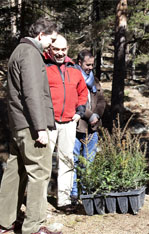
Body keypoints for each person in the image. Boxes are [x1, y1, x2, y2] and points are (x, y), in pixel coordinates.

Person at [0, 18, 61, 234]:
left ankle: (3, 224)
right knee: (39, 173)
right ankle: (34, 227)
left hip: (18, 124)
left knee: (15, 172)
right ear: (41, 35)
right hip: (31, 126)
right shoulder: (31, 53)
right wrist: (40, 127)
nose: (52, 44)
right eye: (51, 39)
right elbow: (31, 92)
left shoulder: (18, 51)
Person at [44, 35, 88, 210]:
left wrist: (80, 112)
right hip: (48, 122)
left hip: (69, 122)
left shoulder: (74, 69)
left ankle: (64, 201)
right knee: (44, 163)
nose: (60, 53)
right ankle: (39, 202)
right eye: (56, 49)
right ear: (50, 49)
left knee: (67, 161)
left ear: (68, 49)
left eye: (63, 49)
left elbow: (82, 92)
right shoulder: (43, 66)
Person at [70, 49, 106, 200]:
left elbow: (102, 100)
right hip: (77, 127)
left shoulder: (95, 80)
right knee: (73, 161)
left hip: (93, 128)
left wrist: (96, 114)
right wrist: (89, 115)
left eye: (92, 65)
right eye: (87, 64)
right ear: (79, 62)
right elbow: (75, 103)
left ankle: (86, 192)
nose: (90, 68)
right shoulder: (72, 78)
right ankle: (72, 194)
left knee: (89, 161)